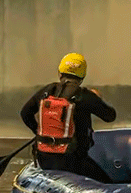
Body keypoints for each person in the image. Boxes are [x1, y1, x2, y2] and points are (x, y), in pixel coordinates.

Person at [20, 53, 116, 183]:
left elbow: (25, 113)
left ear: (60, 73)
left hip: (44, 160)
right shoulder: (85, 96)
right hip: (72, 162)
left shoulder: (47, 91)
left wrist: (39, 131)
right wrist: (98, 98)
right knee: (107, 183)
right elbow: (110, 116)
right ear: (82, 76)